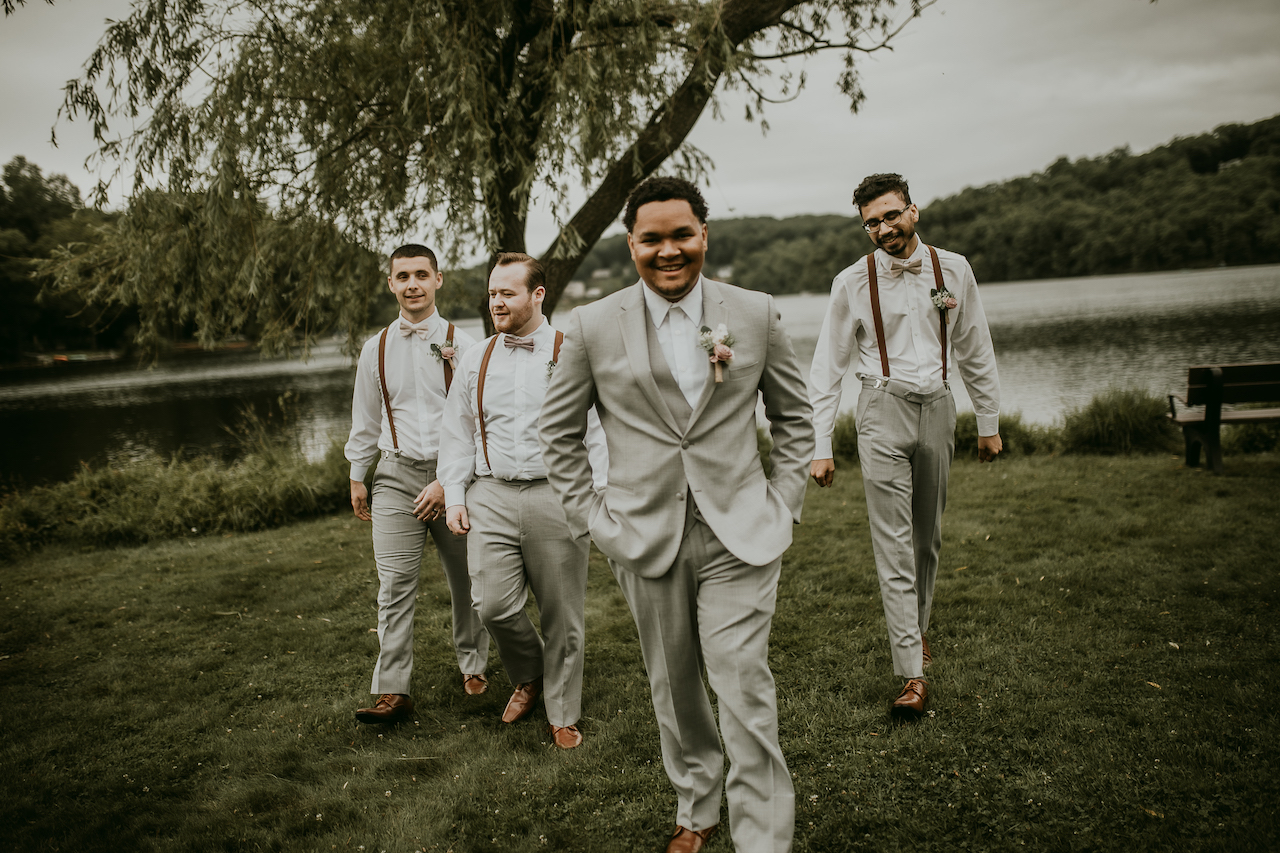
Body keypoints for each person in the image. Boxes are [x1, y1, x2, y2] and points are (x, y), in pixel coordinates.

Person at [540, 176, 814, 853]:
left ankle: (764, 840)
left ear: (704, 235)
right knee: (675, 686)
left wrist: (782, 504)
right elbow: (558, 434)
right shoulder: (592, 326)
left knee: (742, 683)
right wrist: (593, 521)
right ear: (631, 244)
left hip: (741, 533)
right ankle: (697, 803)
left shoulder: (754, 313)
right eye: (652, 239)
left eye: (681, 235)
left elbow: (797, 418)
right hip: (641, 534)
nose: (669, 251)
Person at [808, 173, 1002, 719]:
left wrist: (988, 421)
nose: (883, 228)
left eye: (891, 215)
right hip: (880, 410)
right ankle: (911, 672)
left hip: (939, 407)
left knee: (927, 536)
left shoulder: (954, 270)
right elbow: (827, 366)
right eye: (871, 222)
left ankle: (915, 629)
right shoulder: (850, 282)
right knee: (893, 542)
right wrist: (821, 443)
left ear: (912, 211)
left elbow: (975, 346)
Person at [438, 252, 607, 750]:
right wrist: (454, 496)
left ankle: (563, 711)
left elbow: (596, 431)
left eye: (506, 293)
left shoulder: (571, 350)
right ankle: (530, 671)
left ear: (538, 295)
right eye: (492, 292)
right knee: (491, 605)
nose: (496, 302)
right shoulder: (477, 357)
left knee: (562, 613)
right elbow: (457, 432)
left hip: (557, 494)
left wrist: (599, 497)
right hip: (489, 493)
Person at [345, 243, 491, 724]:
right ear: (391, 284)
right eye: (402, 276)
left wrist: (453, 482)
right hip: (394, 475)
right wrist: (357, 474)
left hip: (456, 475)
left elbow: (476, 422)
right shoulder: (376, 348)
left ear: (438, 280)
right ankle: (393, 690)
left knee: (467, 579)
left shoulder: (465, 345)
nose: (412, 284)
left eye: (421, 275)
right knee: (394, 584)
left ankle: (473, 664)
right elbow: (365, 420)